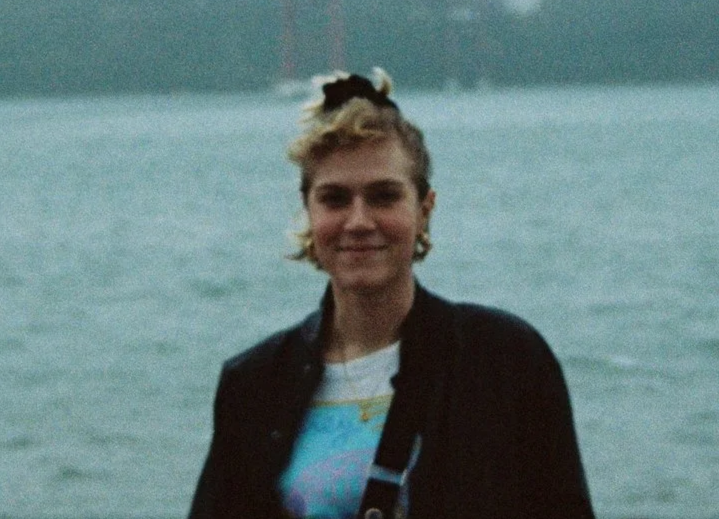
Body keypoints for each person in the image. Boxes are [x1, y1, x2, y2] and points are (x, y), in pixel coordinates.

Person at [187, 70, 593, 519]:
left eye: (383, 196)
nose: (359, 221)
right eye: (335, 199)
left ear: (424, 209)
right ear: (309, 211)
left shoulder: (503, 358)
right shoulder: (255, 383)